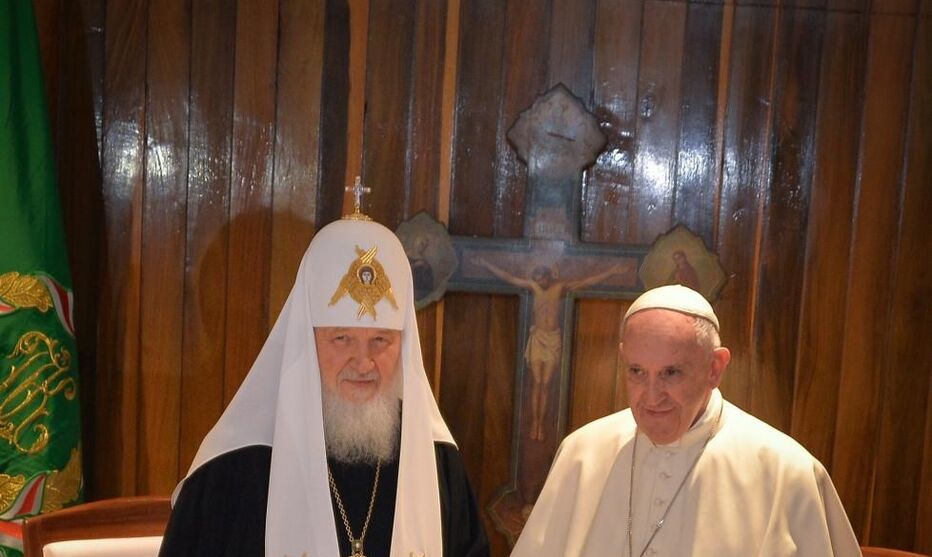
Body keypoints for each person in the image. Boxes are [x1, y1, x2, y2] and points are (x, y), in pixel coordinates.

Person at [159, 216, 490, 557]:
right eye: (342, 339)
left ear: (404, 346)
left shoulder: (436, 462)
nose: (363, 363)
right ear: (306, 339)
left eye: (380, 340)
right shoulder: (233, 467)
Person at [510, 284, 861, 556]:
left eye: (671, 373)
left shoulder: (786, 471)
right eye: (636, 371)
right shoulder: (582, 453)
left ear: (715, 368)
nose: (651, 396)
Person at [476, 259, 624, 441]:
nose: (540, 282)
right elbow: (509, 277)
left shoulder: (560, 288)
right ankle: (535, 423)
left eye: (543, 278)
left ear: (548, 276)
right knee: (537, 383)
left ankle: (541, 424)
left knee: (546, 383)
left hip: (553, 338)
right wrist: (486, 265)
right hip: (538, 337)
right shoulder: (533, 287)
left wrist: (611, 271)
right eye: (537, 278)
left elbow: (586, 282)